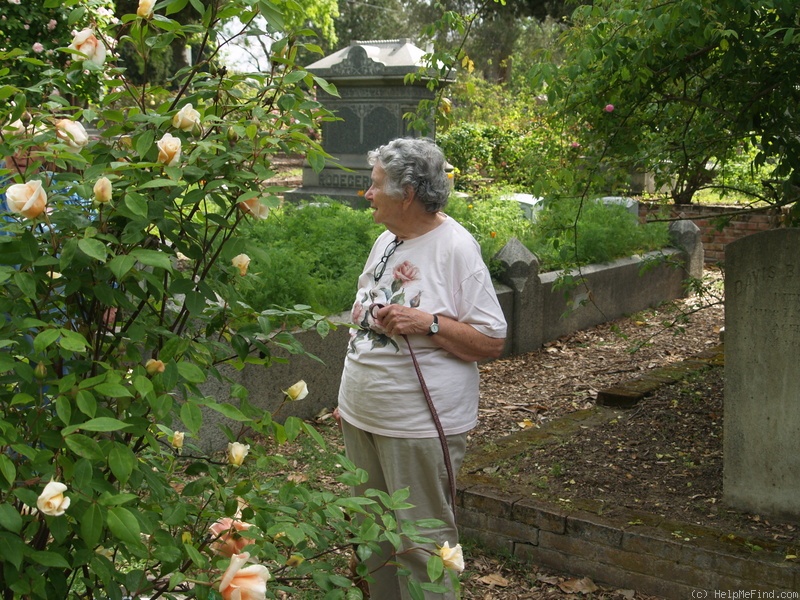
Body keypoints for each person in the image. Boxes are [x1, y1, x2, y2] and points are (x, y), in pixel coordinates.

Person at [334, 137, 507, 598]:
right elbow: (363, 320)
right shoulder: (387, 240)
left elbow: (492, 341)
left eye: (374, 186)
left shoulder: (456, 249)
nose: (366, 194)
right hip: (363, 416)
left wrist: (429, 323)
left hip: (417, 425)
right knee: (372, 538)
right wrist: (347, 399)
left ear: (406, 193)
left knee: (422, 546)